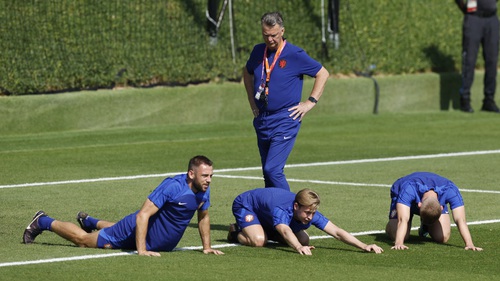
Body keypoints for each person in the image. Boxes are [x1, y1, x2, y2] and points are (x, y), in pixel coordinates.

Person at [22, 155, 224, 257]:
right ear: (191, 174)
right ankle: (43, 220)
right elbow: (142, 216)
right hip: (136, 231)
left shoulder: (203, 189)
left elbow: (203, 216)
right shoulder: (172, 186)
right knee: (83, 240)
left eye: (211, 176)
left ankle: (89, 220)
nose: (209, 180)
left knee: (114, 229)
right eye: (205, 175)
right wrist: (141, 250)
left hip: (151, 239)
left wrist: (207, 247)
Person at [243, 12, 330, 190]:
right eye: (265, 35)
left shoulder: (294, 54)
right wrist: (252, 101)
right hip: (262, 119)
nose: (270, 39)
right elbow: (247, 72)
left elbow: (322, 73)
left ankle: (292, 212)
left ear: (282, 31)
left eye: (273, 35)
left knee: (272, 169)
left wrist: (310, 102)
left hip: (285, 118)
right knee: (267, 174)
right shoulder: (258, 51)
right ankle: (272, 216)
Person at [227, 187, 384, 255]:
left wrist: (364, 245)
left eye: (313, 213)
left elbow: (336, 231)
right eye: (307, 213)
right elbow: (284, 230)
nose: (310, 217)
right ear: (296, 206)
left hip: (265, 214)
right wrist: (298, 247)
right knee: (259, 241)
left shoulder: (310, 212)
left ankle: (260, 228)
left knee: (304, 238)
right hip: (246, 205)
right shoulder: (282, 209)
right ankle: (236, 232)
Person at [385, 171, 483, 251]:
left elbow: (460, 220)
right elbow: (402, 220)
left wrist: (469, 243)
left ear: (441, 207)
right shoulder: (408, 189)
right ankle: (394, 222)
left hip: (430, 202)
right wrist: (399, 243)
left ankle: (426, 226)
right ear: (418, 205)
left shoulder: (451, 190)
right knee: (400, 235)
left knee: (442, 237)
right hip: (402, 195)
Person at [455, 0, 500, 113]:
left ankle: (489, 100)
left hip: (492, 19)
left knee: (492, 60)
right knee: (469, 60)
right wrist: (465, 9)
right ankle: (465, 99)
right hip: (473, 18)